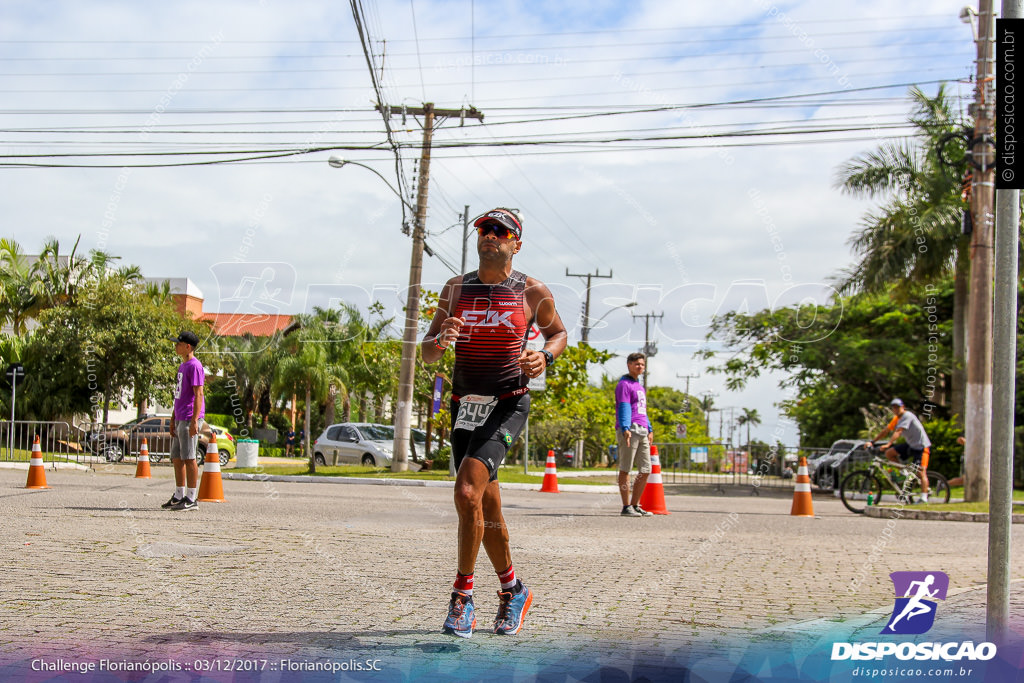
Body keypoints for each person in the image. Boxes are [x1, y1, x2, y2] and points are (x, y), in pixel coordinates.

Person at [422, 207, 567, 638]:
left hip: (508, 403)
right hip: (465, 405)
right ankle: (513, 589)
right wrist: (441, 339)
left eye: (501, 231)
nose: (490, 236)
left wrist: (545, 355)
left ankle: (462, 597)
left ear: (515, 244)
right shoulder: (455, 289)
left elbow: (558, 333)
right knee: (486, 506)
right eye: (484, 229)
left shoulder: (531, 290)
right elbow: (428, 352)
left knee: (467, 490)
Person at [161, 331, 205, 511]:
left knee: (189, 457)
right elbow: (179, 394)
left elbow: (199, 394)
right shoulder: (182, 366)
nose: (175, 346)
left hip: (189, 417)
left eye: (178, 344)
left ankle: (192, 497)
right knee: (177, 457)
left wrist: (195, 420)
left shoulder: (195, 366)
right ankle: (179, 495)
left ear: (188, 346)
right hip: (180, 416)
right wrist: (172, 418)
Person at [866, 398, 932, 502]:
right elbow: (885, 431)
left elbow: (899, 431)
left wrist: (889, 444)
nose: (895, 409)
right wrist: (872, 442)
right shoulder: (896, 419)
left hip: (921, 446)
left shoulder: (907, 416)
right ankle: (904, 473)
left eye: (898, 407)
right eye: (894, 407)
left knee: (921, 472)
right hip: (911, 445)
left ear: (903, 407)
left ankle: (924, 497)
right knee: (889, 453)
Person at [615, 352, 653, 516]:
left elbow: (642, 410)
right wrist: (625, 428)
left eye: (642, 365)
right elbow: (624, 406)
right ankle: (626, 506)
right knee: (626, 468)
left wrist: (650, 428)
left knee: (645, 469)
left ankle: (635, 504)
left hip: (643, 429)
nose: (640, 367)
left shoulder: (639, 386)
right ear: (629, 365)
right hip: (630, 429)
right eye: (637, 364)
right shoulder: (624, 384)